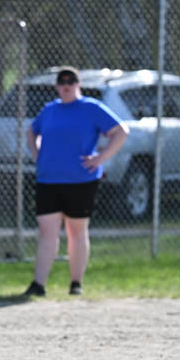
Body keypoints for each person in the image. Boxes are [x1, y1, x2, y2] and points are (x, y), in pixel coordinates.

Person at [22, 67, 129, 297]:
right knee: (47, 231)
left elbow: (121, 132)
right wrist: (37, 154)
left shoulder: (91, 108)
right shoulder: (50, 110)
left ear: (78, 85)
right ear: (57, 86)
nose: (66, 86)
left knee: (76, 231)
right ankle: (38, 284)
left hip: (80, 180)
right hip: (49, 178)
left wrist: (100, 158)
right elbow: (31, 132)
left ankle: (76, 283)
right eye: (62, 82)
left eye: (71, 81)